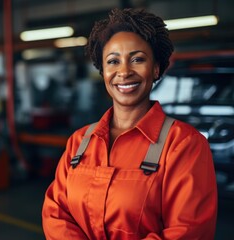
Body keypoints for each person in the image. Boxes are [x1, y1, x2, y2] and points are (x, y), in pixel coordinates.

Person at [42, 8, 217, 239]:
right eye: (113, 61)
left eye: (137, 59)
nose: (123, 71)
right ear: (103, 71)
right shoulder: (80, 142)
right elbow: (55, 213)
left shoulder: (183, 145)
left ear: (155, 69)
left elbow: (188, 231)